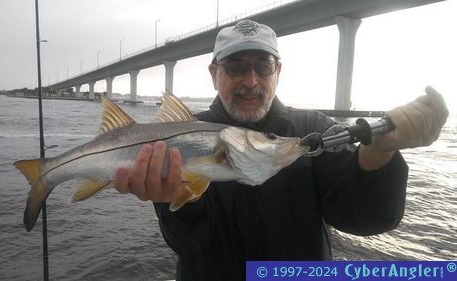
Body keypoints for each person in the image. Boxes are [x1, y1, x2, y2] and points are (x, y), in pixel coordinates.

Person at [113, 20, 448, 280]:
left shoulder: (314, 131)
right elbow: (188, 245)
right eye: (235, 68)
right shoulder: (178, 138)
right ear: (214, 74)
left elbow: (364, 217)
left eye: (263, 66)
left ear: (278, 72)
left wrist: (378, 153)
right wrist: (179, 204)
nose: (251, 81)